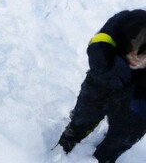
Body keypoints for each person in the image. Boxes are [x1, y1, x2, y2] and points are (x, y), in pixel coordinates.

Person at [58, 9, 146, 162]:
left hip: (139, 98)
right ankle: (72, 135)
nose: (135, 60)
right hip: (105, 80)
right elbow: (100, 41)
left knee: (125, 134)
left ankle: (104, 157)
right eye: (134, 53)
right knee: (85, 113)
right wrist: (103, 65)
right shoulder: (129, 19)